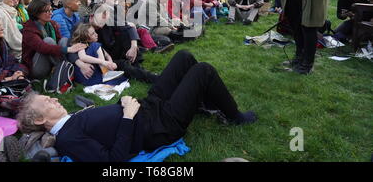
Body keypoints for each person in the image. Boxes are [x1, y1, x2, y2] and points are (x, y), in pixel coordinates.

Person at [16, 50, 257, 162]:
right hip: (159, 125)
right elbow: (112, 161)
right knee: (203, 70)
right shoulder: (68, 139)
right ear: (39, 120)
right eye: (48, 101)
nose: (55, 98)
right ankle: (235, 116)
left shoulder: (71, 122)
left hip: (149, 107)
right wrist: (128, 117)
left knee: (183, 57)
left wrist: (124, 106)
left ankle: (203, 104)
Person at [21, 0, 87, 80]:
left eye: (51, 10)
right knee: (48, 41)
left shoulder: (52, 24)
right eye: (47, 11)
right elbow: (42, 47)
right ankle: (66, 70)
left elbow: (60, 41)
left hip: (52, 61)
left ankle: (65, 69)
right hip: (35, 67)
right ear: (36, 13)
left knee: (64, 40)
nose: (51, 13)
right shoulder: (29, 29)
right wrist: (68, 49)